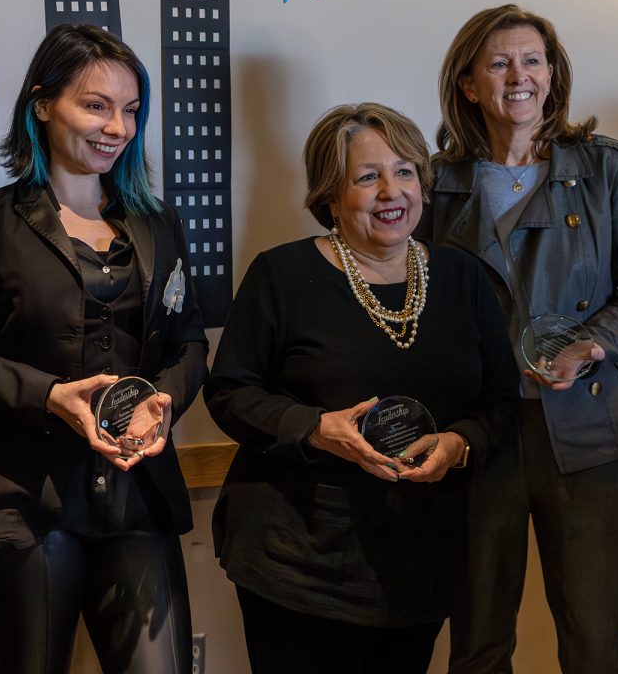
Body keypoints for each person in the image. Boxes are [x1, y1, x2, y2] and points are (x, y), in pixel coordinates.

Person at [0, 24, 209, 674]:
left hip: (139, 497)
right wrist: (50, 396)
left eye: (132, 109)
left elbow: (190, 339)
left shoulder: (158, 223)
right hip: (21, 502)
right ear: (43, 102)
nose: (118, 126)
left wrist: (163, 402)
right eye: (96, 105)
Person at [205, 103, 520, 674]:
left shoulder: (463, 278)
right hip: (296, 559)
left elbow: (500, 403)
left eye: (404, 172)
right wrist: (315, 429)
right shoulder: (281, 275)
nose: (390, 192)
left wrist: (458, 444)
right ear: (331, 196)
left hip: (419, 562)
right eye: (367, 177)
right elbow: (229, 391)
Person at [422, 4, 618, 673]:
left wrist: (589, 345)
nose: (519, 76)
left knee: (596, 638)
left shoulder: (607, 168)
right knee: (477, 642)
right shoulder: (431, 184)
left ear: (554, 76)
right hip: (479, 436)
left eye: (533, 60)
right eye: (499, 62)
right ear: (469, 84)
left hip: (587, 427)